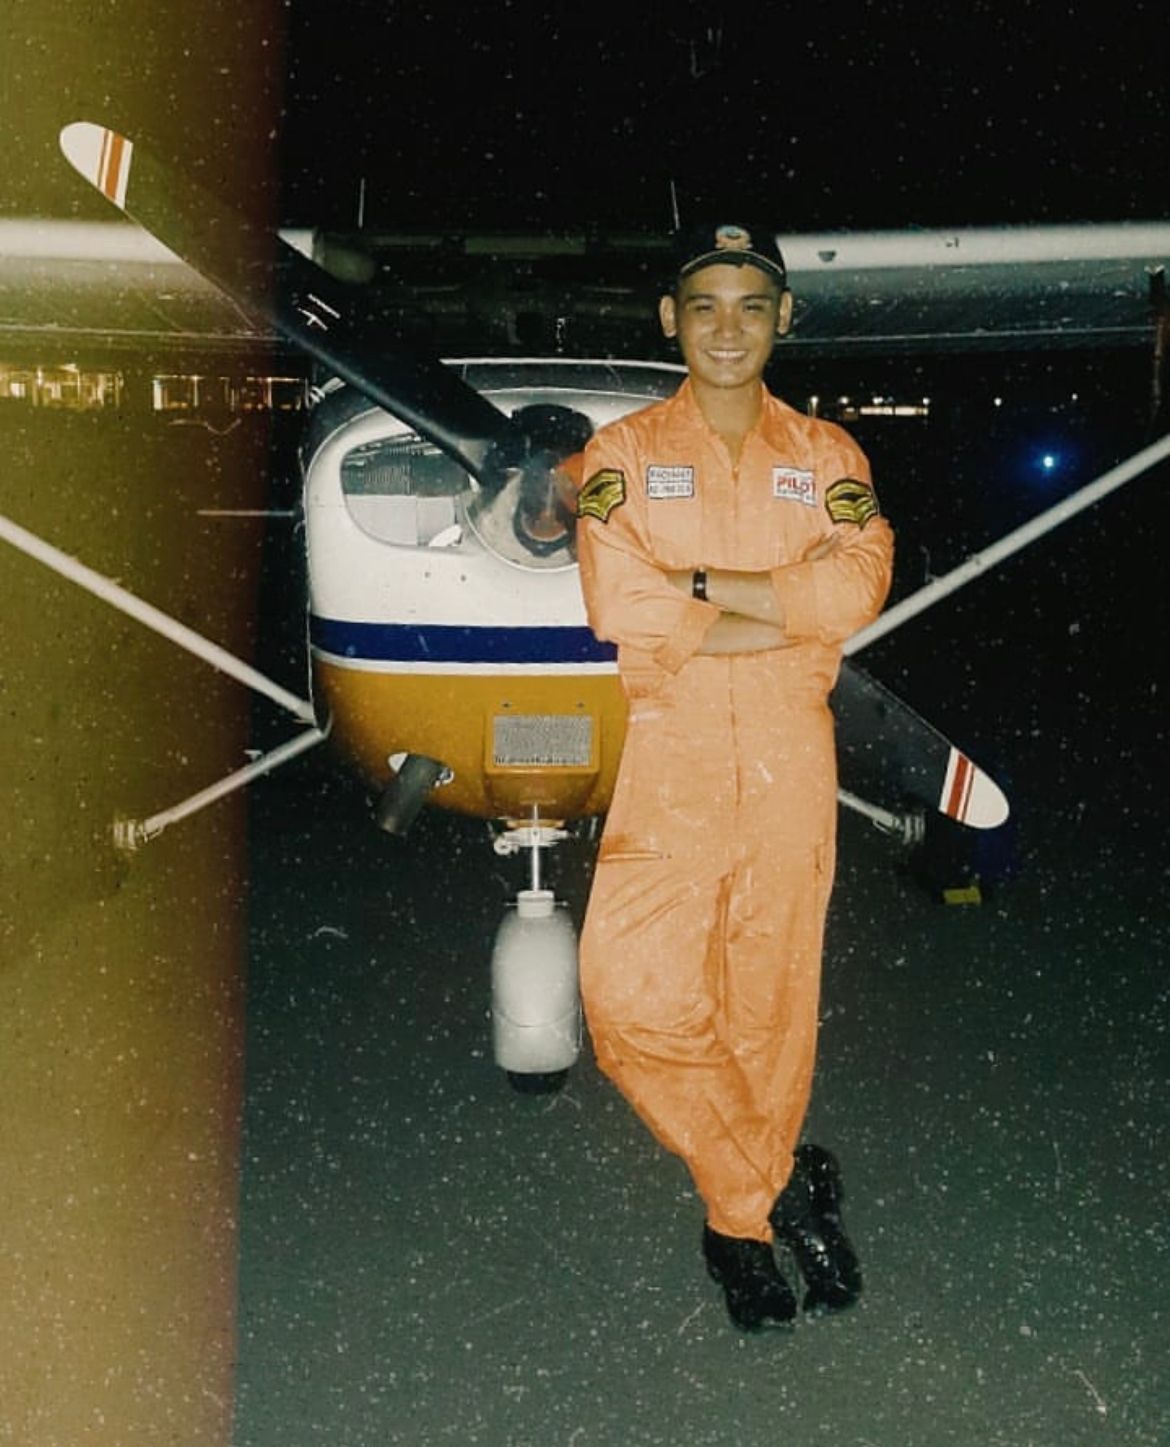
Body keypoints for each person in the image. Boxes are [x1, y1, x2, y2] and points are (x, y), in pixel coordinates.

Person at [574, 222, 894, 1331]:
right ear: (672, 318)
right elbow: (618, 601)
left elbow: (857, 587)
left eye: (752, 306)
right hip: (675, 752)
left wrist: (700, 583)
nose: (727, 328)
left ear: (783, 319)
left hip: (789, 753)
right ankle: (781, 1185)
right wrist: (782, 607)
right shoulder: (619, 453)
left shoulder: (828, 455)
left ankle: (738, 1229)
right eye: (704, 305)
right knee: (627, 999)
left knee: (769, 1006)